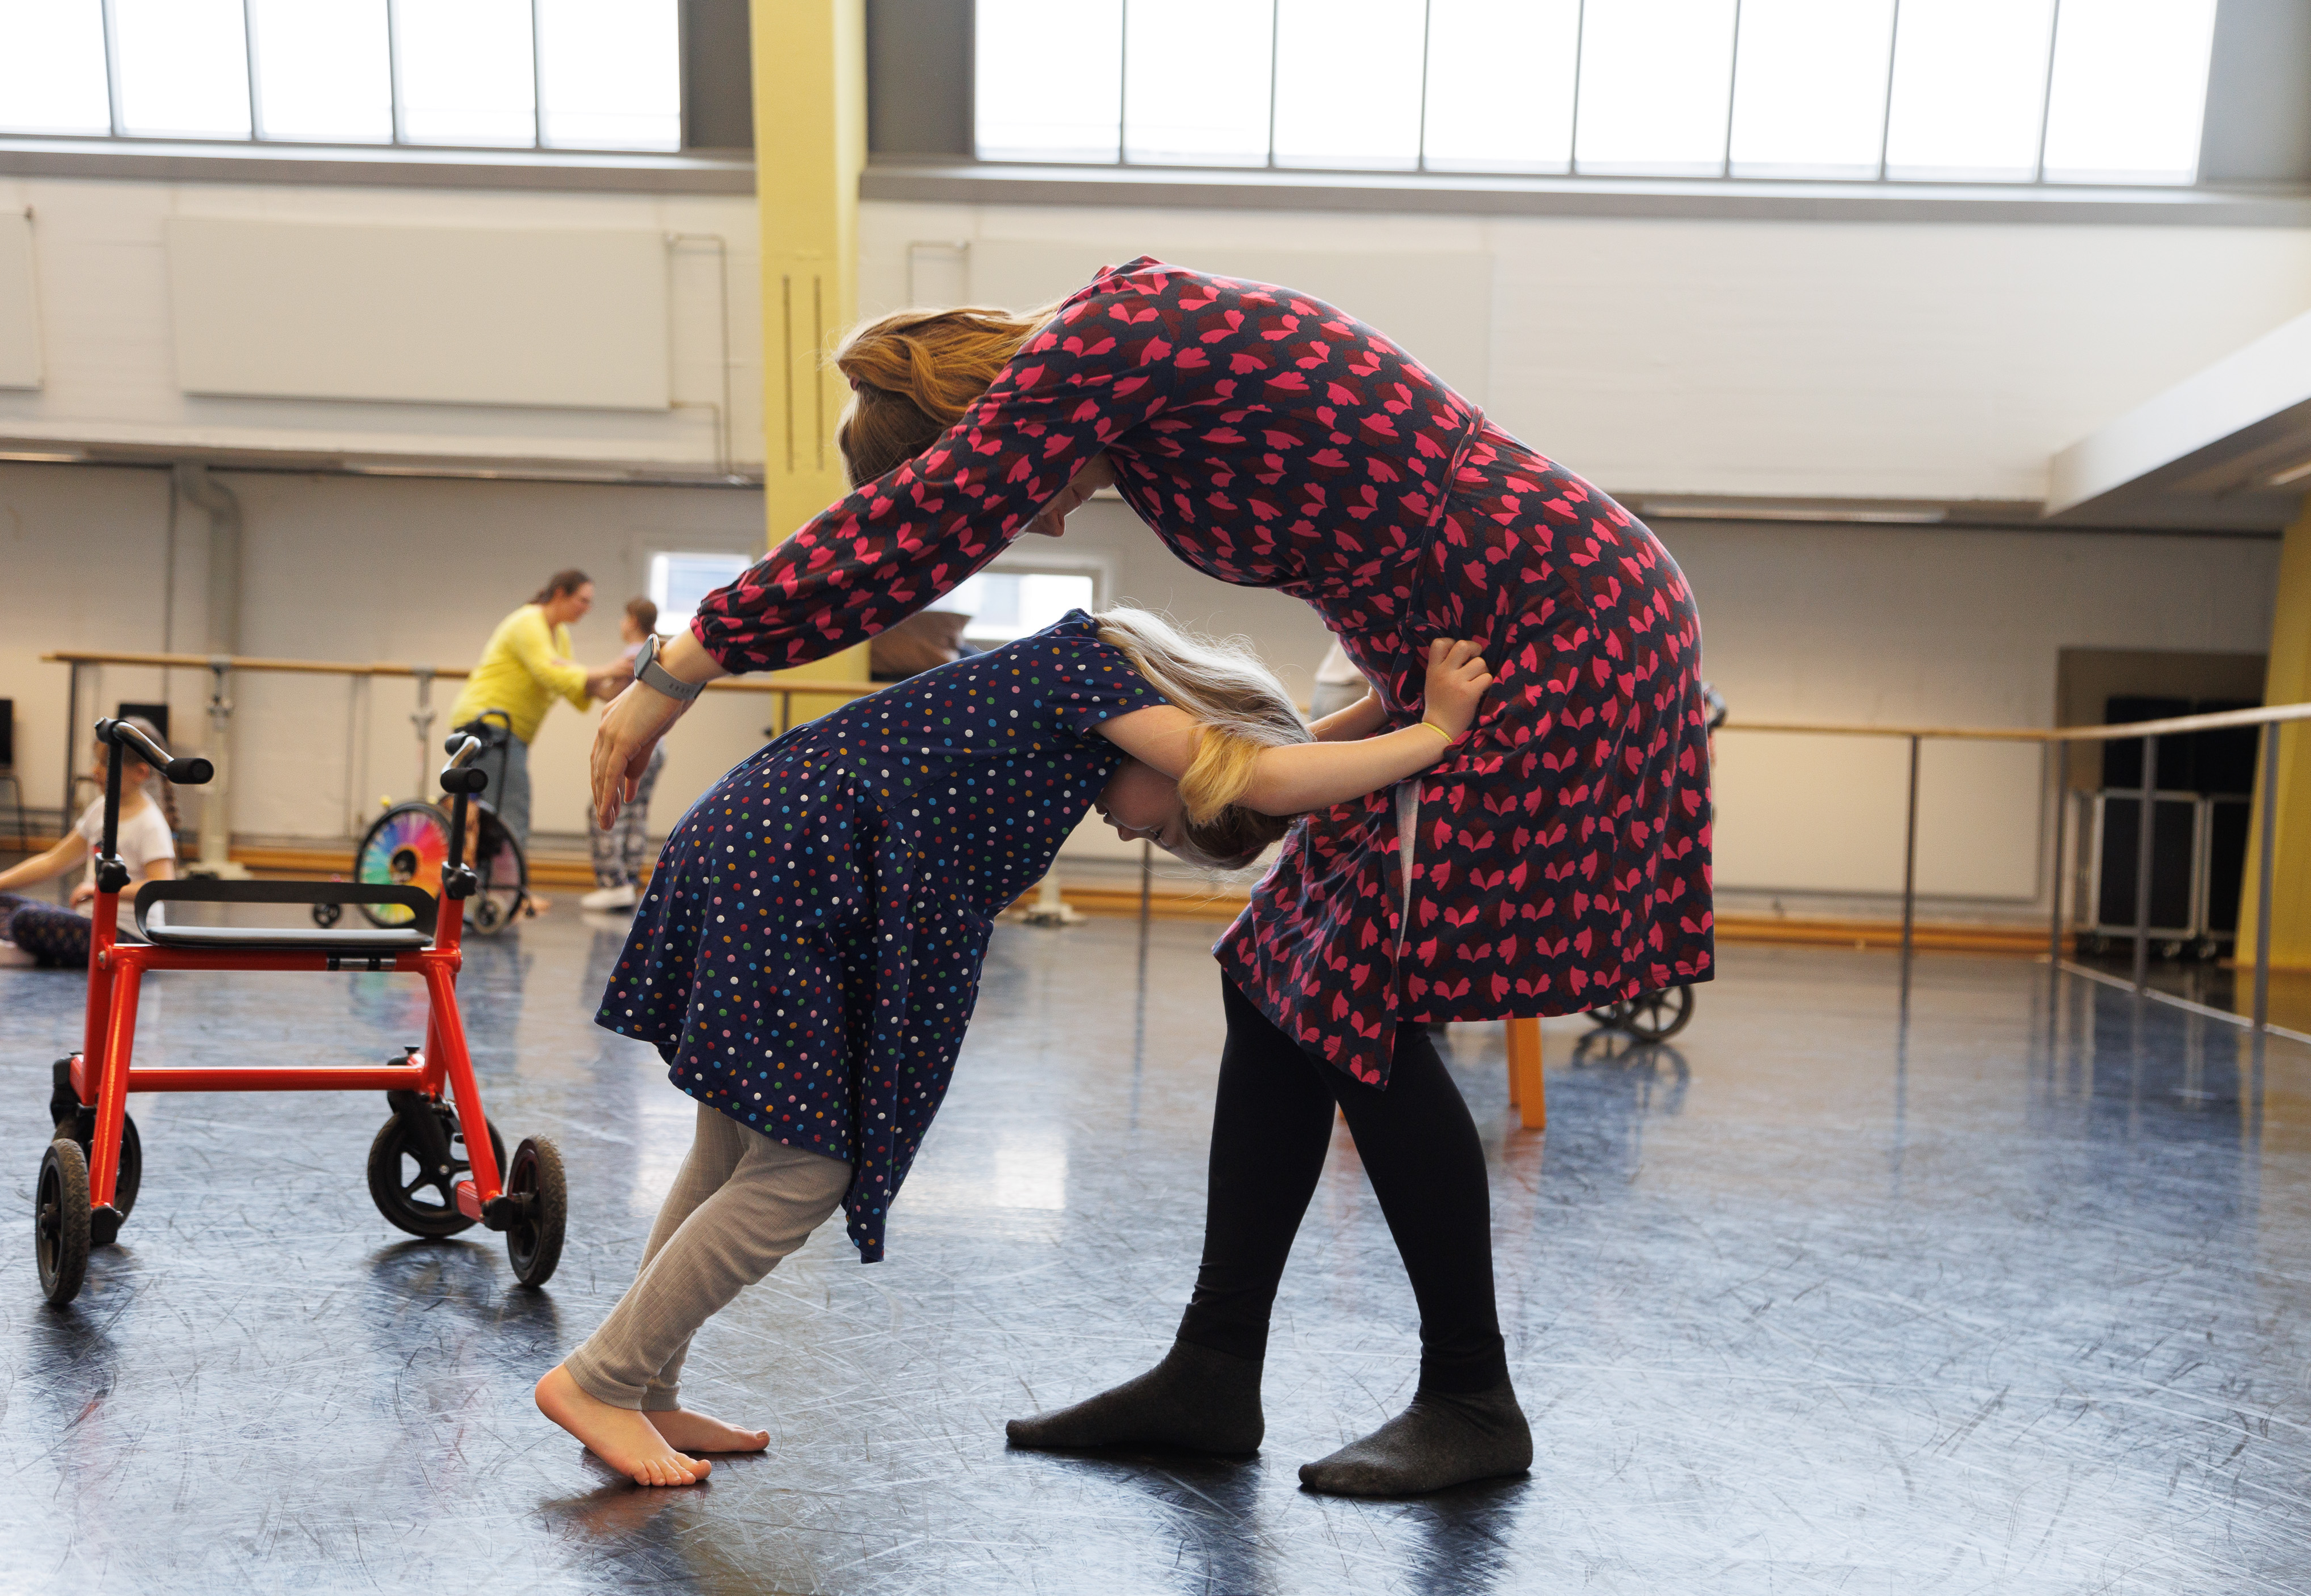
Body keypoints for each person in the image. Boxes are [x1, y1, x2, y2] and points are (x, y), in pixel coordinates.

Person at [591, 258, 1715, 1497]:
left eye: (1029, 503)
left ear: (996, 434)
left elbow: (904, 538)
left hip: (1555, 620)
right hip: (1462, 634)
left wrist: (678, 667)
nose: (1054, 523)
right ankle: (1214, 1369)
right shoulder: (1129, 369)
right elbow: (1284, 708)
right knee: (1274, 974)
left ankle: (1470, 1392)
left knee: (1364, 998)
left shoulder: (1120, 333)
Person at [535, 606, 1495, 1487]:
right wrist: (1432, 733)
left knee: (733, 1151)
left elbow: (1257, 763)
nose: (1125, 828)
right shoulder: (1096, 673)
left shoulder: (1096, 692)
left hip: (771, 847)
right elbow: (1257, 770)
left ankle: (645, 1389)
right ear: (1199, 740)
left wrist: (1378, 704)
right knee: (802, 1171)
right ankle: (603, 1380)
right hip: (792, 865)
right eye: (1159, 823)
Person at [0, 721, 176, 967]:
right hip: (88, 924)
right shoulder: (101, 809)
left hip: (128, 937)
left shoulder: (150, 823)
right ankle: (34, 953)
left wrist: (101, 890)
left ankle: (32, 953)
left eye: (105, 764)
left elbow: (162, 886)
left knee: (26, 920)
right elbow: (53, 860)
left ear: (140, 773)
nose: (95, 770)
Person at [449, 568, 623, 865]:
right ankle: (509, 895)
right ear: (559, 595)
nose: (587, 609)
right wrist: (610, 669)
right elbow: (549, 671)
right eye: (583, 600)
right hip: (488, 726)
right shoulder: (528, 621)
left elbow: (575, 685)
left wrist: (627, 682)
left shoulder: (560, 634)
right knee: (510, 810)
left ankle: (500, 893)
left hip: (508, 732)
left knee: (498, 810)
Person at [580, 597, 670, 913]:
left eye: (623, 618)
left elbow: (613, 693)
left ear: (632, 620)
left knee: (604, 809)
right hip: (656, 746)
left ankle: (613, 883)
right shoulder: (657, 648)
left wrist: (583, 681)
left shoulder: (634, 653)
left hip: (632, 744)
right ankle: (630, 882)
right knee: (637, 812)